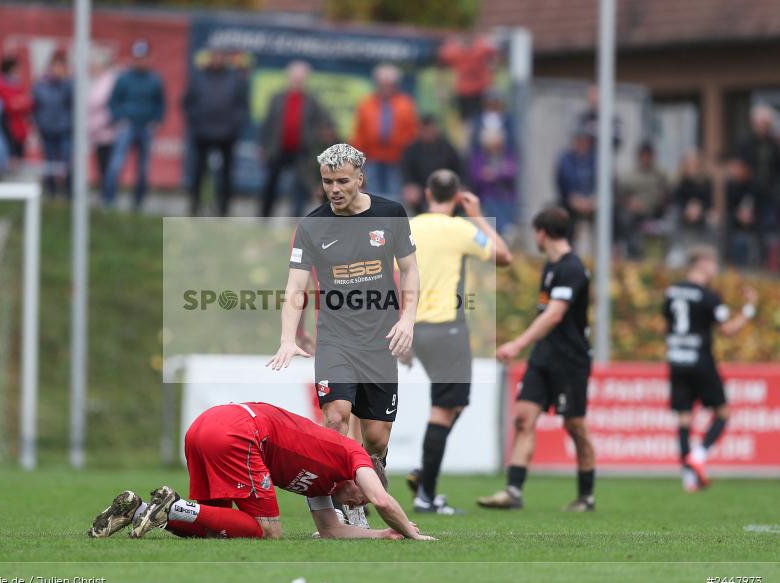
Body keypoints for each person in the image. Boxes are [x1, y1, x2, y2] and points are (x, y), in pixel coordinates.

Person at [267, 143, 420, 525]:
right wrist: (288, 338)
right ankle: (347, 510)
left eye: (342, 181)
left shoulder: (391, 214)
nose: (334, 189)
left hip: (381, 341)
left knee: (376, 439)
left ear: (360, 179)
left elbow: (411, 271)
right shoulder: (313, 226)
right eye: (327, 182)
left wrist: (408, 319)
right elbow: (295, 288)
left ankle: (372, 472)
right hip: (335, 340)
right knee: (335, 419)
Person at [88, 402, 435, 541]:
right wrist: (412, 534)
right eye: (360, 500)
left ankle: (139, 509)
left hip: (205, 427)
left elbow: (330, 531)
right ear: (361, 481)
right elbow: (383, 500)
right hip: (241, 432)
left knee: (215, 528)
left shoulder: (323, 487)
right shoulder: (353, 455)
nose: (358, 504)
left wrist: (383, 535)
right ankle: (176, 506)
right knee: (269, 533)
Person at [404, 170, 511, 514]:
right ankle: (426, 495)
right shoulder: (460, 229)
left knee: (454, 403)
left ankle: (425, 473)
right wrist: (478, 217)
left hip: (414, 326)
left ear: (426, 192)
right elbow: (503, 256)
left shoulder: (408, 227)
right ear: (458, 196)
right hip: (445, 326)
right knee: (444, 407)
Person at [479, 206, 596, 512]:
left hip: (571, 361)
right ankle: (513, 492)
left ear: (542, 233)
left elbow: (555, 314)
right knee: (523, 419)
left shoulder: (572, 268)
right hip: (543, 357)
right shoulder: (551, 266)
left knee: (575, 426)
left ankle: (586, 496)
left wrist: (517, 343)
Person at [662, 246, 758, 492]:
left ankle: (689, 479)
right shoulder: (709, 296)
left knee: (684, 418)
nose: (715, 270)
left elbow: (666, 324)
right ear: (702, 264)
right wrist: (749, 309)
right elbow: (727, 330)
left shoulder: (671, 292)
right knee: (723, 413)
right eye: (713, 265)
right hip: (701, 361)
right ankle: (700, 456)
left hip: (676, 360)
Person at [258, 61, 332, 218]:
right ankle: (264, 216)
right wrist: (263, 146)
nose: (297, 81)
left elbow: (323, 121)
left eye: (300, 78)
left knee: (300, 188)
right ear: (288, 78)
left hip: (302, 151)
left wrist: (316, 136)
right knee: (270, 184)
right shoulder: (277, 98)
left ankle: (295, 218)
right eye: (294, 78)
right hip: (278, 149)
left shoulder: (312, 101)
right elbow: (267, 124)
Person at [183, 48, 249, 216]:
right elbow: (187, 103)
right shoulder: (198, 77)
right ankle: (195, 205)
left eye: (221, 56)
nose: (217, 60)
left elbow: (243, 105)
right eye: (215, 56)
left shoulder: (235, 78)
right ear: (210, 58)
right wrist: (196, 121)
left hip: (227, 134)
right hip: (203, 133)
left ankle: (224, 209)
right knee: (198, 172)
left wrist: (234, 124)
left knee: (226, 174)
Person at [103, 40, 165, 210]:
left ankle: (138, 204)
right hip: (127, 125)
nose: (141, 61)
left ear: (150, 58)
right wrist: (120, 119)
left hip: (145, 127)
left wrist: (156, 121)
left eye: (144, 57)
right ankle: (109, 201)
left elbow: (160, 104)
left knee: (143, 169)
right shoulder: (124, 78)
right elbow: (113, 102)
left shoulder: (155, 80)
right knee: (116, 164)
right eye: (138, 57)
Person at [351, 64, 418, 201]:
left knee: (394, 198)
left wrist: (406, 155)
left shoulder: (406, 104)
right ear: (376, 84)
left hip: (397, 161)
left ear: (396, 85)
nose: (386, 88)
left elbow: (412, 134)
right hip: (372, 159)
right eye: (382, 84)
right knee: (372, 197)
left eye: (390, 84)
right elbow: (359, 134)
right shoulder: (366, 104)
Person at [735, 104, 780, 270]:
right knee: (748, 229)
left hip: (770, 194)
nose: (762, 126)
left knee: (768, 230)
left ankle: (767, 262)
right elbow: (740, 171)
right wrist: (745, 203)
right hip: (749, 193)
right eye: (759, 122)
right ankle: (748, 265)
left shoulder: (773, 143)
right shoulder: (745, 142)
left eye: (765, 123)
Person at [615, 142, 670, 259]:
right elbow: (621, 196)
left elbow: (668, 194)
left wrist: (658, 202)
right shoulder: (630, 175)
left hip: (655, 212)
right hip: (634, 213)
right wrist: (630, 203)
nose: (645, 159)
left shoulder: (660, 175)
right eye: (643, 156)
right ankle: (630, 251)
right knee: (624, 218)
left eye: (648, 156)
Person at [400, 115, 462, 214]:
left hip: (446, 186)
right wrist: (410, 186)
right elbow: (406, 172)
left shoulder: (448, 147)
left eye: (432, 130)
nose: (429, 133)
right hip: (422, 189)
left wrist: (461, 185)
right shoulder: (412, 149)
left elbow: (459, 169)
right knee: (411, 195)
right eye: (426, 130)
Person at [32, 51, 73, 199]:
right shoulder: (41, 85)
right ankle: (51, 191)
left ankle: (69, 192)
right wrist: (39, 124)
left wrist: (66, 81)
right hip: (47, 130)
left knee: (66, 161)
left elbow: (75, 103)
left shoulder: (68, 84)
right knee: (49, 163)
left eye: (61, 66)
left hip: (65, 130)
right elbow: (35, 106)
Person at [667, 149, 717, 267]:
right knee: (673, 215)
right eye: (688, 164)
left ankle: (708, 251)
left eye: (694, 164)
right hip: (684, 213)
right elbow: (677, 200)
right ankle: (676, 249)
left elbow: (709, 202)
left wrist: (699, 209)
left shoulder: (706, 182)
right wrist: (687, 209)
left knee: (713, 219)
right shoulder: (679, 181)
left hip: (701, 214)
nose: (691, 167)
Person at [467, 126, 518, 235]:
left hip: (506, 194)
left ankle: (507, 231)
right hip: (487, 194)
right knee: (491, 206)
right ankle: (507, 230)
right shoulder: (479, 157)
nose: (494, 145)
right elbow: (476, 175)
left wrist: (494, 174)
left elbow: (512, 172)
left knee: (507, 206)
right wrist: (498, 172)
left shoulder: (507, 154)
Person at [437, 34, 497, 120]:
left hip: (480, 90)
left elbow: (493, 60)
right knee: (463, 120)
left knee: (481, 119)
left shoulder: (483, 46)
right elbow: (441, 67)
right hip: (462, 92)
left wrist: (492, 82)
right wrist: (441, 88)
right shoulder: (451, 50)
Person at [555, 130, 596, 252]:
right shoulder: (566, 159)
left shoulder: (595, 159)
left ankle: (604, 252)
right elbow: (563, 180)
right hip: (570, 202)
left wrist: (593, 199)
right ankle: (568, 251)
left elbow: (603, 181)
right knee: (564, 217)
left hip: (593, 204)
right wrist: (573, 198)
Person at [0, 55, 32, 160]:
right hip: (5, 128)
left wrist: (17, 103)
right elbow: (7, 106)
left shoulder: (19, 85)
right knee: (8, 156)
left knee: (20, 157)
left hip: (20, 128)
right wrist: (17, 103)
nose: (19, 72)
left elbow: (28, 103)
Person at [88, 52, 117, 185]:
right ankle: (104, 192)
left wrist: (102, 124)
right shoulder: (96, 81)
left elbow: (100, 102)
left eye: (95, 66)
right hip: (97, 131)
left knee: (108, 164)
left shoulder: (109, 81)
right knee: (101, 164)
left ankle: (108, 195)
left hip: (107, 130)